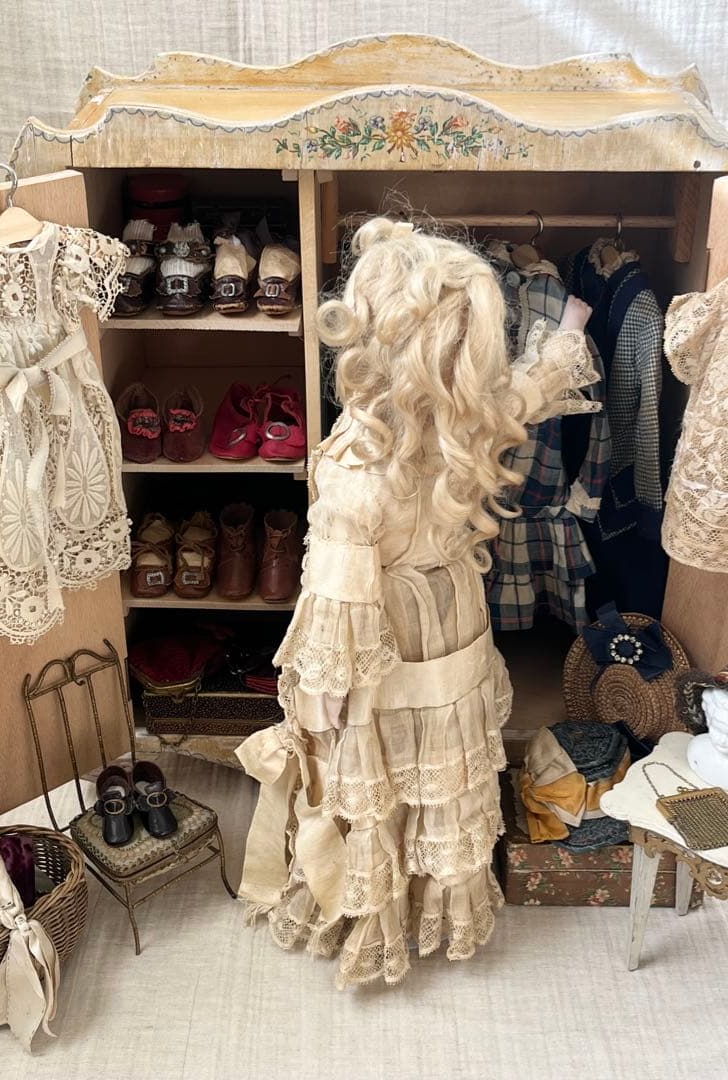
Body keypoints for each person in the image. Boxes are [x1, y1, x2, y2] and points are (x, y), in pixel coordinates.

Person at [236, 217, 597, 988]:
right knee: (441, 756)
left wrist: (318, 714)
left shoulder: (357, 461)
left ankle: (377, 906)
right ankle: (434, 896)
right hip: (451, 606)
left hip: (385, 627)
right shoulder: (472, 416)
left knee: (377, 761)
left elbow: (336, 603)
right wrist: (567, 336)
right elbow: (529, 392)